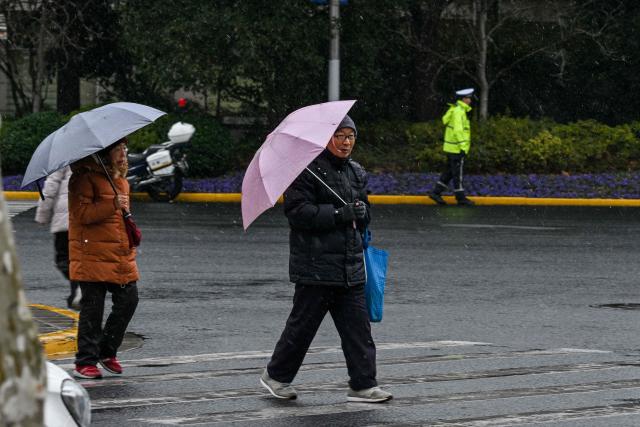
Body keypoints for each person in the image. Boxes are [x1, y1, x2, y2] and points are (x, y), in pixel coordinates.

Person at [260, 115, 392, 403]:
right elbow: (298, 213)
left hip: (351, 266)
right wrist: (337, 214)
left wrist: (360, 211)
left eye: (351, 137)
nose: (346, 143)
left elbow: (365, 212)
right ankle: (276, 376)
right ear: (327, 139)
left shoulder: (356, 171)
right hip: (315, 267)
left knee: (358, 331)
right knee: (301, 329)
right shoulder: (305, 172)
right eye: (340, 136)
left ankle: (363, 385)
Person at [68, 139, 139, 379]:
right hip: (91, 254)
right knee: (93, 309)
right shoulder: (83, 179)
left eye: (124, 149)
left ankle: (107, 351)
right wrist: (112, 204)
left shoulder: (120, 180)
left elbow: (118, 221)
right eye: (118, 149)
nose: (123, 153)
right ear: (104, 153)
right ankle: (85, 361)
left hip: (119, 253)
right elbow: (82, 215)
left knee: (129, 299)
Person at [34, 166, 81, 309]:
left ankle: (80, 287)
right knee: (79, 260)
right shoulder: (96, 154)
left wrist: (42, 215)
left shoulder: (63, 158)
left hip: (65, 221)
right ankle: (78, 292)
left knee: (64, 260)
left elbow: (50, 188)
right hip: (87, 219)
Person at [429, 88, 475, 206]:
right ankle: (460, 198)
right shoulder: (459, 112)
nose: (470, 100)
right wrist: (464, 147)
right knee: (457, 174)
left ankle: (436, 193)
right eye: (468, 98)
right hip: (457, 149)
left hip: (451, 148)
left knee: (449, 172)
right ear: (463, 99)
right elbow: (458, 131)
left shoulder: (454, 109)